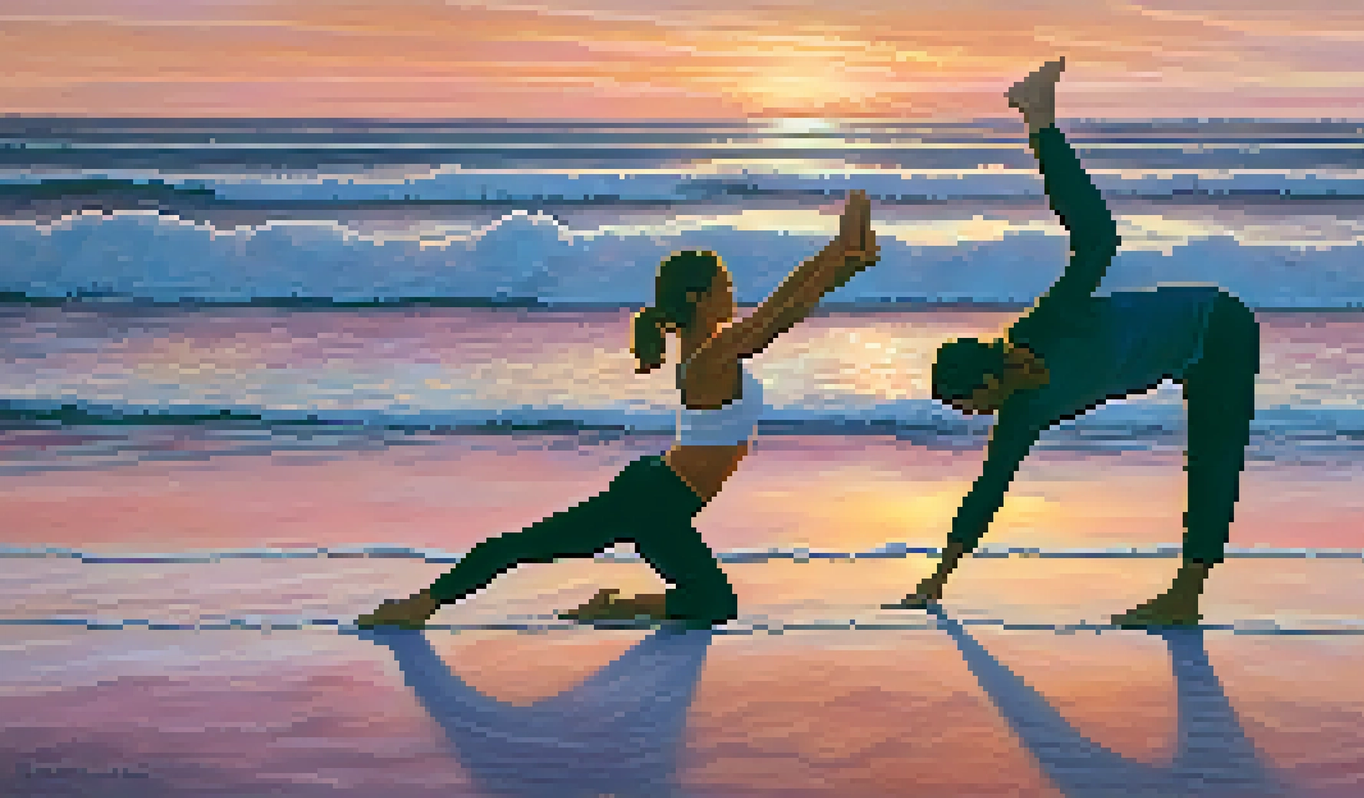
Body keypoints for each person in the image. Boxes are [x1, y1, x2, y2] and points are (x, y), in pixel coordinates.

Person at [359, 191, 880, 629]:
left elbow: (784, 309)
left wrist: (843, 264)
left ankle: (608, 604)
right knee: (534, 550)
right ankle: (420, 607)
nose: (733, 293)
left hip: (659, 493)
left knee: (695, 597)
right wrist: (837, 255)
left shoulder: (713, 345)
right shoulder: (709, 358)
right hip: (657, 502)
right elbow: (778, 315)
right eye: (724, 286)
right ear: (699, 299)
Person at [888, 58, 1260, 627]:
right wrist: (935, 582)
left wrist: (1043, 130)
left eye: (969, 404)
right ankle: (1187, 592)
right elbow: (986, 494)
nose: (976, 415)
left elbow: (1098, 243)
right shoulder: (1020, 411)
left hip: (1218, 324)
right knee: (1203, 456)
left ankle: (1185, 595)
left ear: (988, 377)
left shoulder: (1046, 326)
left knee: (1212, 458)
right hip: (1184, 352)